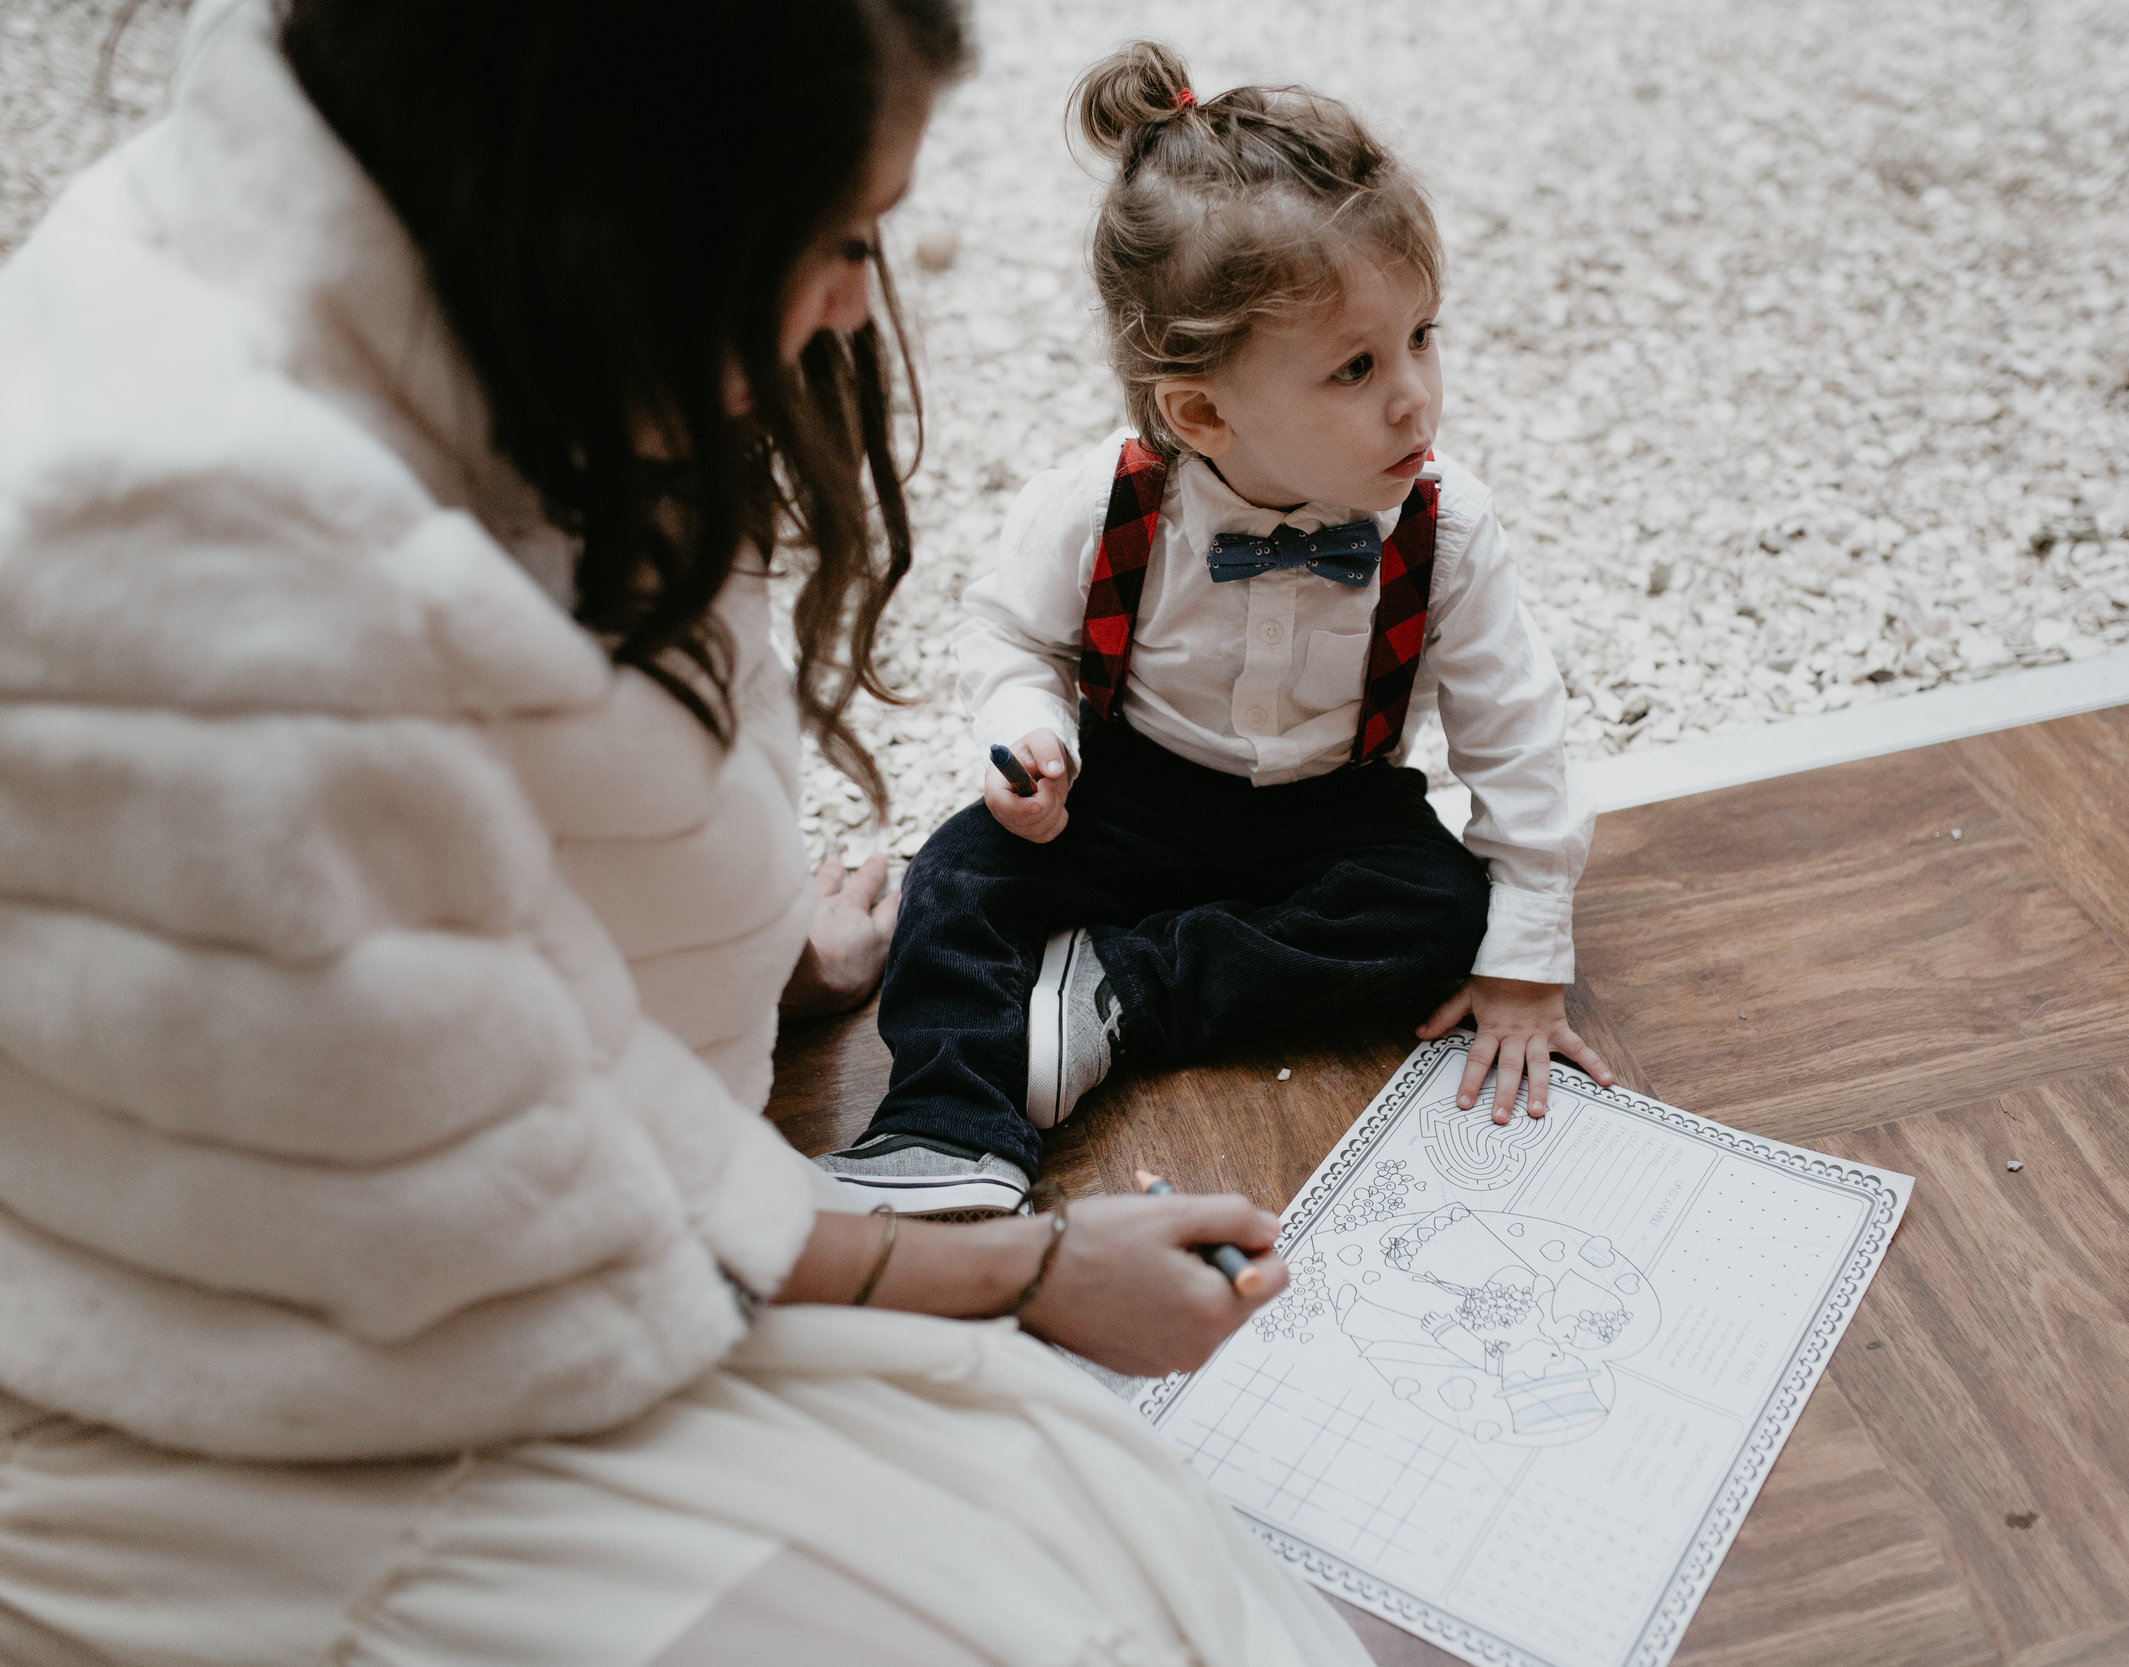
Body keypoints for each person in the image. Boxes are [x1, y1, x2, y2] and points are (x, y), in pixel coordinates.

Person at [0, 2, 1373, 1661]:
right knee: (1079, 1586)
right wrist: (1030, 1267)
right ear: (617, 220)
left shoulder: (445, 283)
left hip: (503, 1249)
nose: (866, 296)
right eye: (833, 235)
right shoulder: (227, 593)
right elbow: (534, 1185)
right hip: (287, 1398)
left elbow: (513, 834)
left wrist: (773, 944)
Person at [819, 41, 1615, 1221]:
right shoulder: (1098, 504)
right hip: (1130, 787)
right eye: (1355, 366)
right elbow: (1009, 641)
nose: (1415, 396)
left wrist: (1522, 962)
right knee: (952, 882)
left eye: (1422, 336)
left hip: (1330, 807)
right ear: (1201, 409)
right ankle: (944, 1127)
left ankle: (1123, 992)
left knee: (1439, 909)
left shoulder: (1447, 527)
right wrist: (1032, 736)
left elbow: (1515, 737)